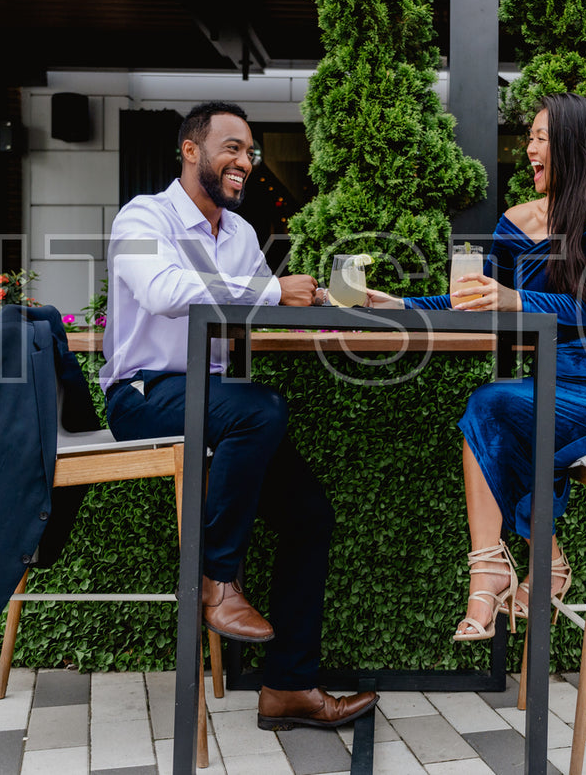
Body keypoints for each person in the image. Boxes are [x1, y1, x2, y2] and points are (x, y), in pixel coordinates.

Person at [100, 101, 378, 729]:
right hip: (145, 395)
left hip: (218, 400)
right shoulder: (144, 216)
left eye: (249, 152)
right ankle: (217, 580)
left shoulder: (241, 233)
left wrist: (326, 306)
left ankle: (288, 689)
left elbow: (255, 313)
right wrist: (271, 290)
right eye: (232, 148)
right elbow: (167, 293)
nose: (244, 162)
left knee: (310, 515)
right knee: (262, 409)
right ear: (190, 151)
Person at [367, 92, 586, 640]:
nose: (530, 149)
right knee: (497, 409)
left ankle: (500, 572)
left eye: (541, 138)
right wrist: (398, 306)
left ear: (572, 144)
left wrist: (516, 301)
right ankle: (518, 565)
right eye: (530, 138)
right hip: (549, 381)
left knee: (492, 405)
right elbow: (474, 300)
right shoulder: (513, 222)